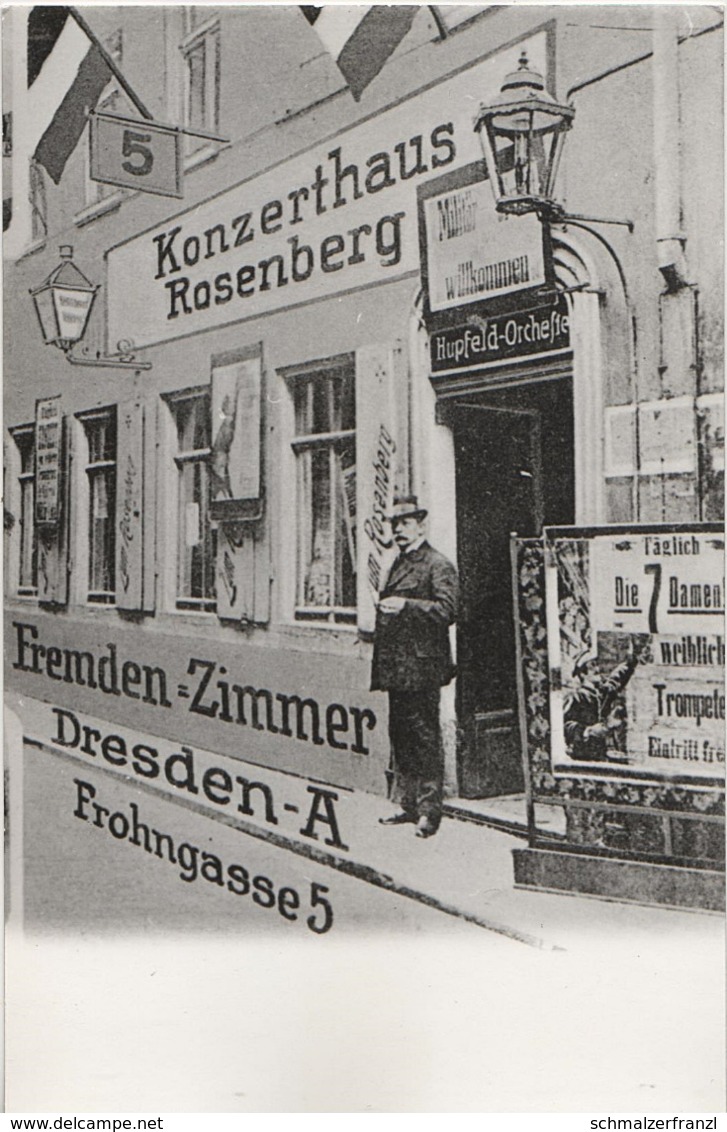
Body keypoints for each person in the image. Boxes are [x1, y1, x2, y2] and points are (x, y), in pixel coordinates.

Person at [370, 495, 458, 839]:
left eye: (405, 523)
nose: (399, 530)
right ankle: (407, 804)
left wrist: (405, 606)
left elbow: (448, 611)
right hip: (398, 666)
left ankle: (429, 811)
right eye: (394, 524)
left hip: (422, 668)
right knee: (402, 735)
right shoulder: (399, 562)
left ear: (421, 524)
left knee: (424, 737)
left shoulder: (438, 564)